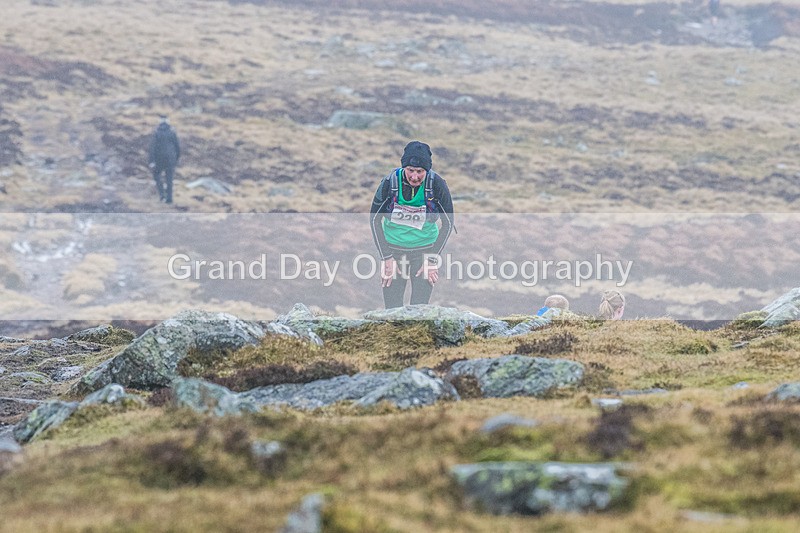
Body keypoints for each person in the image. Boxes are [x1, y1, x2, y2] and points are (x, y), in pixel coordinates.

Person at [370, 141, 454, 309]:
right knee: (392, 310)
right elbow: (374, 220)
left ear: (427, 170)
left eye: (420, 171)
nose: (415, 177)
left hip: (424, 251)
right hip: (394, 251)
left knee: (420, 310)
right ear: (404, 168)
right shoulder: (389, 183)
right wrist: (386, 258)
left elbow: (448, 223)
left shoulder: (436, 184)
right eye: (410, 170)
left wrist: (432, 259)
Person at [148, 115, 180, 204]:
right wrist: (176, 159)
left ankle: (162, 195)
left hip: (159, 159)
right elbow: (178, 147)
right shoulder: (172, 132)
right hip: (171, 159)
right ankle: (169, 198)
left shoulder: (156, 133)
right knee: (169, 178)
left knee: (157, 176)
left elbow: (152, 148)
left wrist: (151, 160)